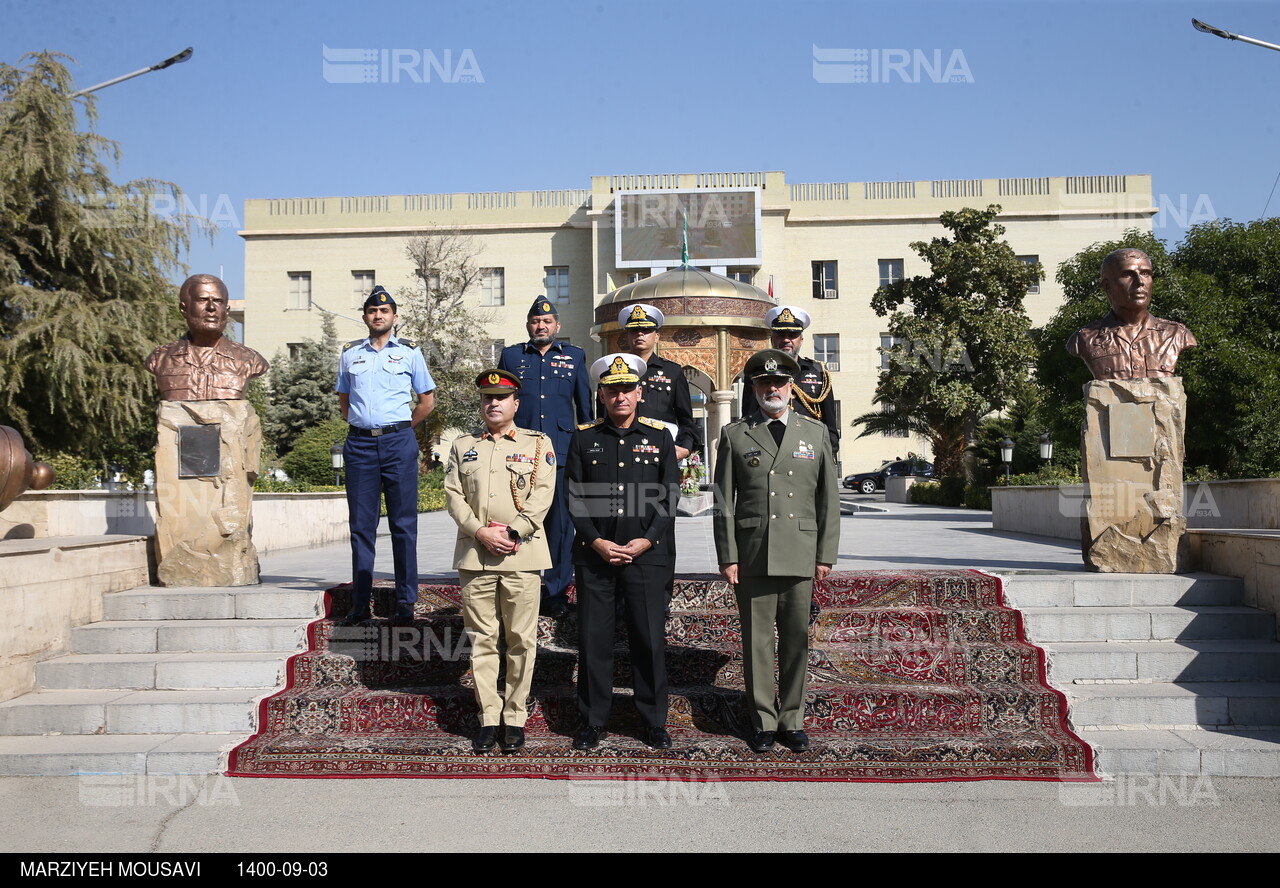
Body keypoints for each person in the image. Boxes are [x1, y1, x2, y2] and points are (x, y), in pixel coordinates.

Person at [714, 349, 840, 754]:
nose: (773, 389)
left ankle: (793, 719)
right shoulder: (735, 434)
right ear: (752, 388)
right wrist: (727, 555)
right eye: (764, 383)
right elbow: (723, 502)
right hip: (754, 552)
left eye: (780, 382)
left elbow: (828, 501)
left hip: (800, 550)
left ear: (792, 386)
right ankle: (763, 721)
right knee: (757, 643)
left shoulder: (815, 433)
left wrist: (825, 554)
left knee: (796, 639)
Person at [566, 353, 679, 751]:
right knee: (594, 642)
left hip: (646, 555)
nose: (620, 397)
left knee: (648, 640)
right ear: (601, 394)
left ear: (640, 392)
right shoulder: (583, 438)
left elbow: (670, 496)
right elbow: (574, 498)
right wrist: (597, 541)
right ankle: (593, 720)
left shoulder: (659, 437)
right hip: (595, 556)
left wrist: (647, 540)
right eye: (612, 391)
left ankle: (652, 721)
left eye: (627, 389)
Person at [444, 369, 555, 754]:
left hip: (522, 555)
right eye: (487, 397)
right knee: (482, 640)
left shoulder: (538, 443)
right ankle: (489, 716)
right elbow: (453, 495)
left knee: (522, 640)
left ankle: (515, 717)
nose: (494, 403)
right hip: (477, 556)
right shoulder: (463, 446)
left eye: (502, 397)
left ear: (515, 404)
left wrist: (513, 531)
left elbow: (543, 494)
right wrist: (480, 531)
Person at [335, 286, 435, 626]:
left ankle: (406, 602)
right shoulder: (350, 353)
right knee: (361, 527)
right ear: (365, 317)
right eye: (372, 311)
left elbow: (426, 400)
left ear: (394, 317)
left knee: (403, 525)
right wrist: (363, 425)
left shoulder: (409, 352)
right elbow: (344, 400)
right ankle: (360, 604)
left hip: (397, 443)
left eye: (385, 311)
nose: (378, 316)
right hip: (360, 446)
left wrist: (404, 428)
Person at [498, 297, 591, 618]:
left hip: (561, 454)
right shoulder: (511, 356)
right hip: (518, 456)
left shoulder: (575, 357)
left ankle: (555, 594)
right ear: (528, 325)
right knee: (517, 522)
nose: (542, 326)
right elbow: (501, 405)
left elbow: (586, 411)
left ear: (557, 327)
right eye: (536, 321)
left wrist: (586, 451)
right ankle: (518, 590)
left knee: (560, 526)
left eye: (547, 322)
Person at [1067, 248, 1197, 379]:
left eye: (1145, 273)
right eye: (1127, 275)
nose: (1139, 282)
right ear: (1107, 286)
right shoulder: (1084, 339)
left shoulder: (1177, 334)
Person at [145, 274, 269, 400]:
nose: (211, 307)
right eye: (202, 300)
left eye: (218, 301)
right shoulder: (160, 359)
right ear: (184, 309)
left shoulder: (250, 360)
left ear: (226, 310)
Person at [741, 306, 839, 457]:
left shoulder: (818, 372)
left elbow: (830, 427)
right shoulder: (757, 373)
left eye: (792, 335)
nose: (786, 340)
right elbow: (748, 419)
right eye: (780, 334)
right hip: (769, 451)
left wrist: (825, 458)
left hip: (809, 452)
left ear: (801, 339)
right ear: (772, 338)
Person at [614, 303, 699, 459]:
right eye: (634, 331)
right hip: (622, 450)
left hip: (661, 450)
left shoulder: (672, 371)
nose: (640, 334)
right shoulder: (612, 372)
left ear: (657, 336)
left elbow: (686, 419)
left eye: (646, 330)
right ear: (627, 336)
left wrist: (685, 448)